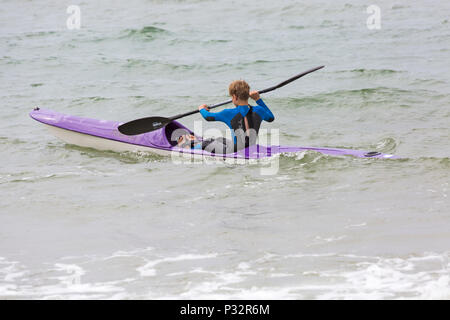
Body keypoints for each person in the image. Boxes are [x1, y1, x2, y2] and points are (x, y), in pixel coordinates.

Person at [196, 80, 274, 154]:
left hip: (234, 151)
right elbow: (271, 118)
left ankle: (188, 149)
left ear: (235, 96)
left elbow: (208, 117)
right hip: (250, 149)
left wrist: (201, 108)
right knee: (220, 139)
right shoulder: (259, 110)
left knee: (206, 142)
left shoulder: (228, 113)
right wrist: (258, 99)